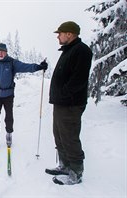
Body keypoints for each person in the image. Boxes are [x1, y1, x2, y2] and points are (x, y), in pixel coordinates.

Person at [46, 21, 93, 185]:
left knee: (70, 136)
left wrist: (63, 94)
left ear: (69, 34)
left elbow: (78, 80)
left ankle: (76, 172)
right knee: (59, 135)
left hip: (70, 104)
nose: (58, 36)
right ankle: (65, 166)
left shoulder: (82, 51)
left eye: (60, 33)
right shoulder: (69, 50)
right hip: (61, 103)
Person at [0, 43, 48, 149]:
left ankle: (9, 135)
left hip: (8, 95)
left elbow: (25, 67)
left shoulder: (12, 62)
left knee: (9, 116)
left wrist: (39, 67)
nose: (1, 53)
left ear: (6, 52)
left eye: (3, 51)